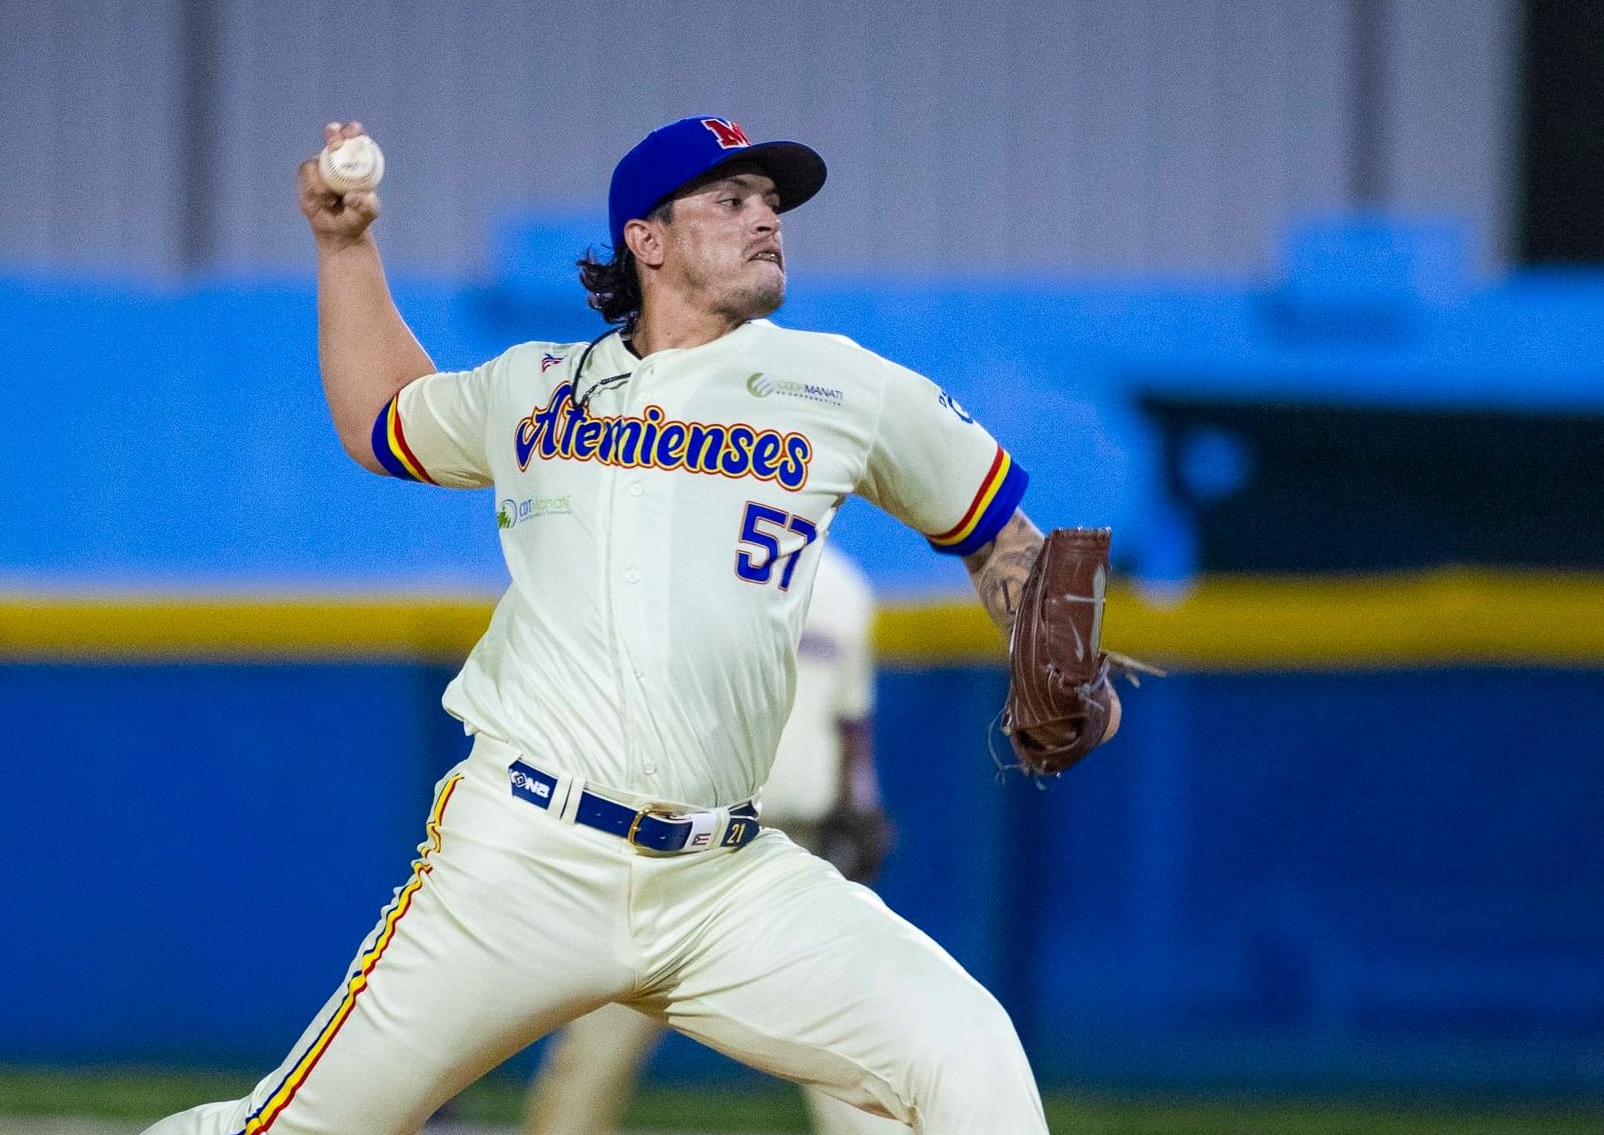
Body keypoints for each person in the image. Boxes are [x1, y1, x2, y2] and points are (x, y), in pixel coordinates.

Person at [146, 113, 1118, 1135]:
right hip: (525, 854)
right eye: (731, 200)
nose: (767, 221)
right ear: (644, 239)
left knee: (967, 1049)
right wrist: (344, 245)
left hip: (724, 877)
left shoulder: (842, 386)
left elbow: (1004, 536)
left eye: (773, 205)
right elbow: (382, 414)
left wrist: (1062, 658)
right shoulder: (535, 385)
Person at [521, 545, 910, 1135]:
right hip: (681, 844)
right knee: (600, 1038)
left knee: (841, 1037)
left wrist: (861, 800)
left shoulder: (843, 587)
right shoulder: (690, 568)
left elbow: (851, 719)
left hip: (796, 846)